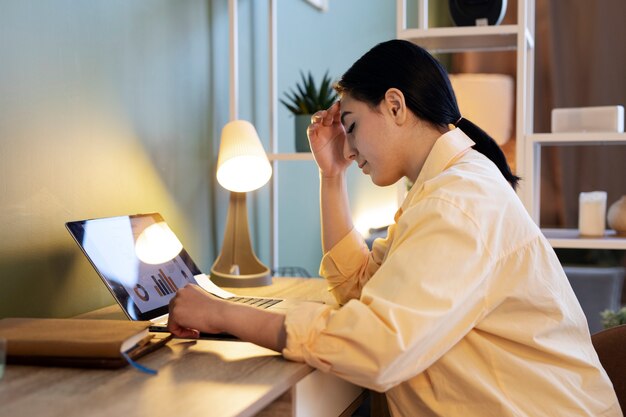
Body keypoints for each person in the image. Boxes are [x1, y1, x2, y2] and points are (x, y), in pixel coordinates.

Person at [168, 39, 622, 416]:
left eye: (351, 126)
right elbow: (362, 289)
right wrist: (331, 177)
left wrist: (224, 313)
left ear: (395, 105)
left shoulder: (456, 202)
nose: (348, 148)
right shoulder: (440, 190)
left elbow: (374, 346)